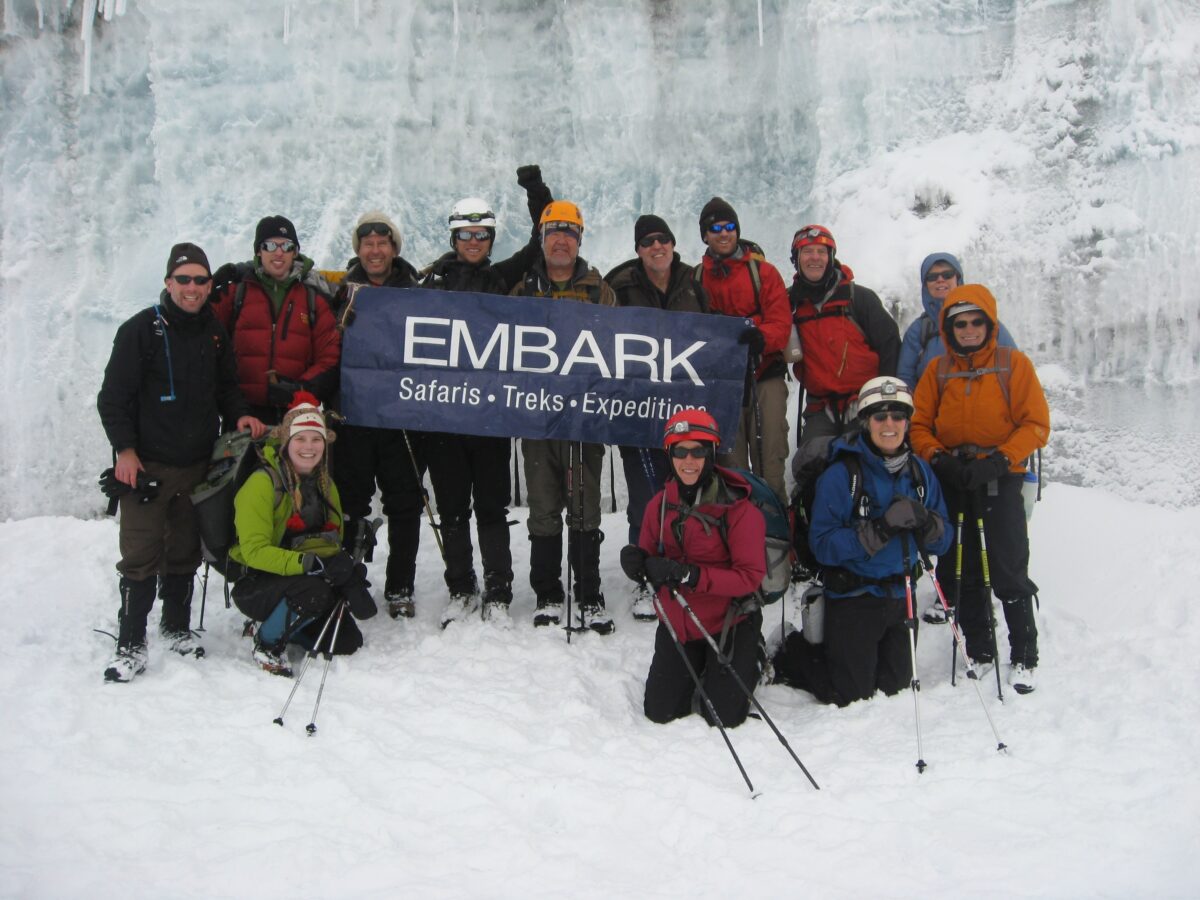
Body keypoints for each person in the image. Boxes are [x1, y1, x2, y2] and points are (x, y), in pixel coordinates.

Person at [97, 242, 267, 683]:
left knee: (184, 551)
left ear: (210, 285)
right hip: (148, 465)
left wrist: (240, 414)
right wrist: (125, 451)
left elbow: (226, 387)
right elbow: (113, 398)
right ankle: (131, 642)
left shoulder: (213, 331)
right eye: (184, 279)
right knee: (140, 552)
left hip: (198, 463)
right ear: (168, 283)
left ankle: (175, 626)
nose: (192, 288)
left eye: (201, 280)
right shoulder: (140, 331)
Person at [419, 167, 552, 626]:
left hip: (491, 419)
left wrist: (537, 193)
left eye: (481, 234)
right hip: (445, 422)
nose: (474, 242)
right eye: (466, 235)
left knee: (491, 507)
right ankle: (461, 587)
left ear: (491, 238)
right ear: (455, 238)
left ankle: (498, 590)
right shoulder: (429, 285)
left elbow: (540, 242)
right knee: (453, 508)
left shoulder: (502, 277)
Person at [772, 376, 951, 706]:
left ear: (907, 422)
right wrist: (880, 529)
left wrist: (926, 523)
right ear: (865, 421)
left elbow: (944, 541)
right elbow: (823, 545)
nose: (889, 424)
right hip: (855, 596)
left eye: (897, 416)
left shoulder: (920, 474)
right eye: (879, 416)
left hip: (901, 597)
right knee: (850, 696)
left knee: (893, 689)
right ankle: (793, 652)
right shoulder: (842, 475)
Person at [909, 285, 1050, 694]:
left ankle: (1025, 653)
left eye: (976, 322)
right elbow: (918, 425)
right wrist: (939, 458)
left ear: (989, 324)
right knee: (962, 564)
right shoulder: (937, 371)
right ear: (947, 328)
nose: (968, 329)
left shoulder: (1013, 365)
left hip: (1000, 476)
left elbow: (1036, 423)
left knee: (1007, 565)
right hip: (954, 475)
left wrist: (1000, 460)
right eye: (959, 323)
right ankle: (980, 648)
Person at [510, 199, 617, 634]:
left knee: (585, 506)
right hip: (538, 420)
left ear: (579, 240)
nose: (561, 241)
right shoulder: (522, 290)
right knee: (543, 505)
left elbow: (616, 351)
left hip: (585, 419)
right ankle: (548, 592)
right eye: (554, 232)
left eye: (569, 233)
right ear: (541, 238)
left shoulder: (599, 290)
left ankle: (589, 592)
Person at [619, 409, 766, 727]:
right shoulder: (659, 505)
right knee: (661, 712)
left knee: (723, 716)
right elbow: (648, 554)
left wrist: (691, 575)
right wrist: (636, 561)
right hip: (679, 624)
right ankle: (704, 666)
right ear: (669, 455)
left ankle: (753, 654)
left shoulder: (739, 508)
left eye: (698, 450)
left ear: (712, 453)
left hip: (729, 621)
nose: (689, 460)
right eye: (680, 451)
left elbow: (750, 577)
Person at [605, 214, 710, 621]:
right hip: (640, 411)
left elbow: (714, 337)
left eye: (662, 239)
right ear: (638, 249)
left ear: (672, 243)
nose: (656, 247)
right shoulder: (620, 286)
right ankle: (646, 578)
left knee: (690, 495)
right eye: (647, 241)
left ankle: (686, 570)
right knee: (647, 500)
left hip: (687, 413)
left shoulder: (692, 283)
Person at [228, 393, 375, 676]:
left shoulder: (324, 484)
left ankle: (281, 621)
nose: (309, 447)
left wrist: (346, 564)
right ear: (285, 442)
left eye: (316, 439)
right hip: (257, 582)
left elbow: (328, 539)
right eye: (301, 439)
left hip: (303, 577)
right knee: (313, 592)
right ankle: (268, 643)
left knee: (346, 642)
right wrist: (309, 564)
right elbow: (254, 551)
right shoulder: (262, 484)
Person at [328, 211, 428, 621]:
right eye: (367, 244)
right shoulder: (339, 292)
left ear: (393, 248)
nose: (374, 250)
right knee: (351, 502)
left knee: (405, 503)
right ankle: (350, 578)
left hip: (402, 416)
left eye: (382, 243)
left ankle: (400, 586)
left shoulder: (419, 292)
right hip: (352, 415)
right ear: (358, 250)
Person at [694, 197, 792, 505]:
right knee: (731, 468)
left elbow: (781, 322)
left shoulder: (764, 273)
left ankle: (777, 543)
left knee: (770, 462)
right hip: (724, 384)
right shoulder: (697, 278)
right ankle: (740, 540)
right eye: (716, 228)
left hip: (765, 376)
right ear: (705, 236)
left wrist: (760, 337)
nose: (724, 234)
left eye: (729, 227)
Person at [209, 215, 341, 424]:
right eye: (270, 245)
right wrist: (206, 286)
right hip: (241, 415)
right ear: (258, 251)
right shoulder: (236, 292)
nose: (279, 252)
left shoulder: (313, 298)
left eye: (287, 246)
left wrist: (300, 390)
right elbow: (189, 317)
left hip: (296, 415)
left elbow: (330, 357)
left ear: (295, 252)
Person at [789, 225, 900, 450]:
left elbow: (890, 345)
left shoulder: (859, 299)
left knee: (862, 459)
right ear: (797, 259)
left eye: (822, 252)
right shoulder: (790, 305)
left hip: (866, 400)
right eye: (807, 251)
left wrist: (884, 399)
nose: (815, 258)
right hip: (820, 405)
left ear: (831, 258)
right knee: (811, 463)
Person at [896, 252, 1018, 391]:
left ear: (958, 279)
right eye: (932, 277)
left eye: (947, 275)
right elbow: (905, 377)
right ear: (925, 285)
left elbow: (1014, 365)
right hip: (935, 408)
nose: (940, 280)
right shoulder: (919, 330)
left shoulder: (985, 321)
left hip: (987, 405)